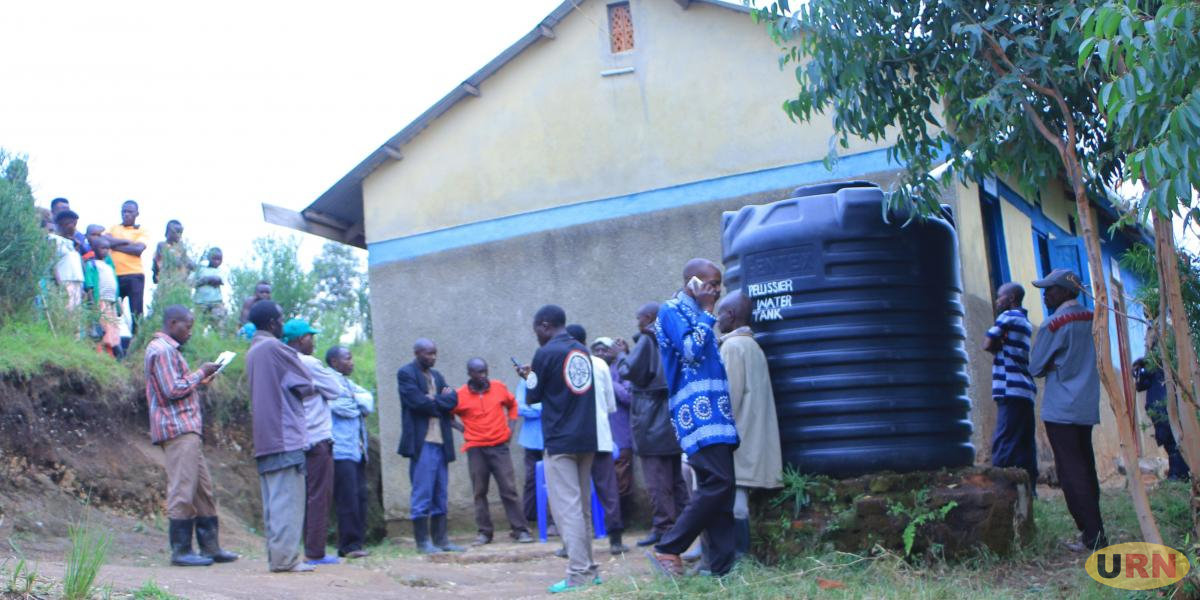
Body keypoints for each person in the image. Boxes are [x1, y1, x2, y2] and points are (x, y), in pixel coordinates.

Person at [648, 258, 740, 578]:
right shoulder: (671, 310)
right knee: (718, 482)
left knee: (724, 489)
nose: (716, 290)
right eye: (710, 284)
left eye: (719, 284)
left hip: (717, 411)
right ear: (693, 283)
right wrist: (707, 312)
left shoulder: (700, 314)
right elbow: (690, 350)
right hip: (696, 411)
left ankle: (721, 568)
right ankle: (669, 547)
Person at [144, 305, 238, 567]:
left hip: (186, 429)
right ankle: (181, 550)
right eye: (188, 325)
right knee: (183, 488)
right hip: (177, 429)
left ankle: (210, 547)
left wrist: (199, 379)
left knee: (202, 491)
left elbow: (176, 387)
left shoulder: (166, 351)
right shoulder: (162, 350)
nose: (190, 331)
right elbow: (172, 389)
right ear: (173, 323)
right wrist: (201, 373)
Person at [515, 306, 600, 593]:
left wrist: (528, 375)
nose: (537, 336)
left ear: (545, 325)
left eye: (536, 330)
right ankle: (590, 569)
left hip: (560, 441)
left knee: (568, 508)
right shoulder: (582, 351)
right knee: (583, 507)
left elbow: (534, 395)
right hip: (587, 439)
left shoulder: (546, 353)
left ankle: (577, 574)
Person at [1029, 269, 1107, 553]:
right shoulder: (1093, 319)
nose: (1046, 294)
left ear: (1064, 291)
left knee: (1071, 472)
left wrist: (1052, 364)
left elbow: (1035, 367)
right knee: (1086, 467)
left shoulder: (1053, 324)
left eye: (1050, 289)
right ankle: (1095, 531)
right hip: (1086, 404)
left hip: (1060, 407)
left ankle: (1092, 536)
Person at [245, 301, 316, 573]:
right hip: (285, 435)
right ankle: (286, 560)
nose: (283, 324)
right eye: (282, 319)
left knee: (273, 501)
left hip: (264, 436)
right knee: (288, 499)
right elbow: (305, 383)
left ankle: (278, 557)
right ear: (274, 323)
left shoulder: (253, 351)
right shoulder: (275, 348)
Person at [717, 290, 782, 558]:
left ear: (730, 315)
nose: (716, 318)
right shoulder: (753, 346)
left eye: (720, 312)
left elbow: (728, 398)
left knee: (736, 503)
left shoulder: (732, 347)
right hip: (755, 435)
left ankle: (739, 558)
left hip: (739, 436)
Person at [616, 302, 688, 548]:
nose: (636, 322)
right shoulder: (671, 337)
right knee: (676, 479)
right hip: (671, 421)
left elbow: (629, 370)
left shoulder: (648, 340)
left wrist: (621, 355)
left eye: (638, 318)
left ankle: (664, 528)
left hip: (651, 422)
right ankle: (684, 525)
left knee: (657, 481)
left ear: (647, 318)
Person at [452, 358, 534, 545]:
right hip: (476, 449)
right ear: (469, 374)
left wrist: (511, 428)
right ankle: (484, 533)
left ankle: (520, 530)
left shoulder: (498, 387)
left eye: (485, 371)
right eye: (478, 372)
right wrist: (463, 429)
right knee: (479, 491)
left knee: (509, 489)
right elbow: (448, 415)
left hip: (499, 447)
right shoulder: (460, 395)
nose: (483, 376)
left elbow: (512, 405)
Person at [283, 319, 343, 566]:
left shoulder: (283, 362)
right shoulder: (309, 363)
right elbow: (336, 389)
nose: (313, 341)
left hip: (295, 438)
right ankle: (315, 552)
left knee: (299, 496)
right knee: (319, 495)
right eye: (310, 336)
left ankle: (297, 547)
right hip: (317, 438)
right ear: (299, 340)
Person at [396, 338, 463, 554]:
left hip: (441, 441)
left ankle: (441, 540)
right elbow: (416, 402)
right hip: (421, 441)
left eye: (434, 353)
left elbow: (453, 400)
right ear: (417, 353)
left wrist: (433, 401)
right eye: (428, 353)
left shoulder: (437, 376)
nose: (433, 357)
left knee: (440, 492)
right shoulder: (406, 373)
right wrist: (438, 403)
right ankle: (423, 542)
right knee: (422, 491)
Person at [567, 325, 628, 555]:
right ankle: (616, 540)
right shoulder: (600, 364)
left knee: (574, 493)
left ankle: (573, 543)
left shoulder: (563, 366)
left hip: (574, 439)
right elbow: (611, 405)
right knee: (608, 490)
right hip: (601, 436)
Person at [983, 282, 1039, 490]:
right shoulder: (1024, 321)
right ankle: (1029, 488)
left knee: (1004, 440)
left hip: (1009, 387)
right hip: (1025, 390)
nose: (997, 301)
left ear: (1012, 299)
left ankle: (997, 488)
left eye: (1000, 297)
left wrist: (997, 343)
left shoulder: (1007, 317)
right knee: (1024, 443)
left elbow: (988, 343)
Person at [327, 345, 374, 559]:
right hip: (340, 449)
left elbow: (368, 400)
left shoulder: (348, 383)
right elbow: (340, 406)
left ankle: (358, 542)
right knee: (347, 498)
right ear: (335, 362)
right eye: (347, 358)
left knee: (360, 496)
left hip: (357, 449)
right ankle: (348, 546)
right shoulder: (330, 380)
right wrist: (357, 403)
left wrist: (356, 400)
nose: (352, 362)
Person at [590, 337, 637, 541]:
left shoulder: (622, 370)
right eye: (596, 350)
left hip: (620, 434)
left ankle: (622, 523)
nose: (600, 353)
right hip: (597, 437)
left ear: (613, 353)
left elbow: (629, 397)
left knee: (621, 481)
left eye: (605, 349)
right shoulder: (590, 371)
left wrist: (610, 381)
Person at [1135, 357, 1190, 481]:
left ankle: (1178, 474)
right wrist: (1140, 370)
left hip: (1166, 409)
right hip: (1159, 411)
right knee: (1170, 442)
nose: (1145, 342)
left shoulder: (1161, 359)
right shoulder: (1152, 364)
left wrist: (1142, 368)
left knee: (1173, 442)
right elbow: (1140, 386)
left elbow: (1141, 385)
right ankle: (1178, 473)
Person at [516, 375, 556, 535]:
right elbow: (520, 408)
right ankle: (528, 520)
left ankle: (555, 521)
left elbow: (557, 406)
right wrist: (543, 407)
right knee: (531, 480)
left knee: (555, 481)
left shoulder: (553, 380)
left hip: (552, 439)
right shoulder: (525, 382)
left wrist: (533, 406)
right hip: (531, 440)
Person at [105, 200, 150, 329]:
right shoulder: (114, 228)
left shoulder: (142, 230)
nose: (126, 214)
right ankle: (110, 343)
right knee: (111, 310)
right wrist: (127, 242)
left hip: (134, 275)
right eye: (123, 211)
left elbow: (138, 250)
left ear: (137, 213)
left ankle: (137, 344)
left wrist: (115, 245)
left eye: (129, 212)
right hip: (114, 275)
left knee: (136, 313)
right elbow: (105, 241)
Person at [84, 238, 121, 356]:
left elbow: (115, 285)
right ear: (94, 249)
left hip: (111, 302)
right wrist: (92, 303)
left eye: (107, 248)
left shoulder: (109, 266)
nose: (105, 251)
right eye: (102, 248)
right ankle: (101, 353)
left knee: (112, 328)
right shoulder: (92, 264)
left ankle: (111, 354)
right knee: (102, 328)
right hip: (100, 301)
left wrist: (118, 304)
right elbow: (90, 285)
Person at [50, 210, 85, 309]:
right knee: (67, 313)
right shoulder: (53, 239)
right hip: (65, 281)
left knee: (76, 317)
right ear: (62, 224)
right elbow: (53, 264)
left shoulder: (71, 243)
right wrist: (60, 285)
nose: (74, 227)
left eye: (75, 223)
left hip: (77, 282)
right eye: (71, 223)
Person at [191, 248, 227, 321]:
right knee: (197, 322)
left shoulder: (220, 271)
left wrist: (205, 280)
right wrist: (208, 280)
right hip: (199, 302)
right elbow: (192, 282)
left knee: (219, 322)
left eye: (219, 259)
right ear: (209, 258)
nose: (217, 262)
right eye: (214, 259)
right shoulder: (201, 269)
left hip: (216, 302)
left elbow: (219, 280)